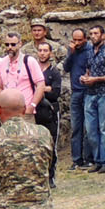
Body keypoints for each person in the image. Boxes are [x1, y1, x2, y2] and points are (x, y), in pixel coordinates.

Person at [75, 26, 105, 172]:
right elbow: (88, 70)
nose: (93, 36)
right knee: (90, 130)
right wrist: (84, 77)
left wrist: (97, 79)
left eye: (96, 33)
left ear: (103, 35)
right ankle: (97, 160)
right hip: (89, 94)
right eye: (91, 34)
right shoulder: (89, 52)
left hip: (104, 94)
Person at [65, 27, 98, 169]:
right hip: (76, 92)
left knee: (88, 127)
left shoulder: (90, 50)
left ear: (85, 39)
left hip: (88, 91)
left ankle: (89, 158)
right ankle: (76, 159)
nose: (77, 43)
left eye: (80, 40)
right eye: (75, 40)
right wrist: (71, 54)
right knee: (76, 127)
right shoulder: (72, 51)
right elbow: (66, 68)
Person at [32, 39, 64, 184]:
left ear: (50, 53)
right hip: (34, 111)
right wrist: (45, 88)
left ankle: (51, 176)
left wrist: (42, 89)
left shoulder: (54, 72)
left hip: (50, 112)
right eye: (40, 50)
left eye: (45, 50)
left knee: (50, 144)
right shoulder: (33, 70)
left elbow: (55, 92)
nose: (42, 53)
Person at [0, 31, 47, 110]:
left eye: (13, 44)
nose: (9, 47)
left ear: (20, 44)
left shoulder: (29, 61)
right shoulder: (1, 63)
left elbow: (41, 85)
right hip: (7, 111)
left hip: (25, 111)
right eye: (7, 44)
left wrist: (32, 106)